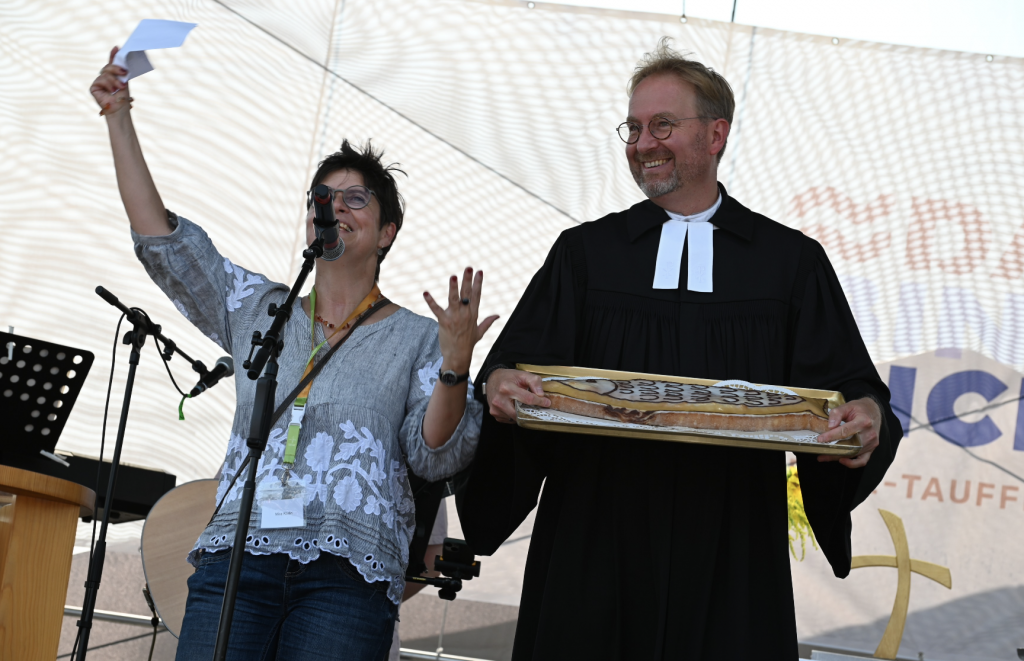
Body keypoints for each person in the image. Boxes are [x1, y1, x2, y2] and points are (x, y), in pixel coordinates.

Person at [456, 38, 902, 660]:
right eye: (634, 128)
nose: (643, 143)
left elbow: (852, 387)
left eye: (663, 124)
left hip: (732, 543)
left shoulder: (788, 263)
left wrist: (866, 417)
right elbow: (515, 370)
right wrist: (501, 382)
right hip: (594, 540)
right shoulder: (585, 255)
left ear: (716, 135)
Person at [90, 47, 496, 660]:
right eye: (322, 198)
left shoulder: (416, 335)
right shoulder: (261, 309)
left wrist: (455, 364)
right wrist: (119, 115)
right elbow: (164, 240)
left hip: (347, 578)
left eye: (355, 198)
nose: (333, 206)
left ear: (386, 233)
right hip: (236, 560)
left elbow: (433, 451)